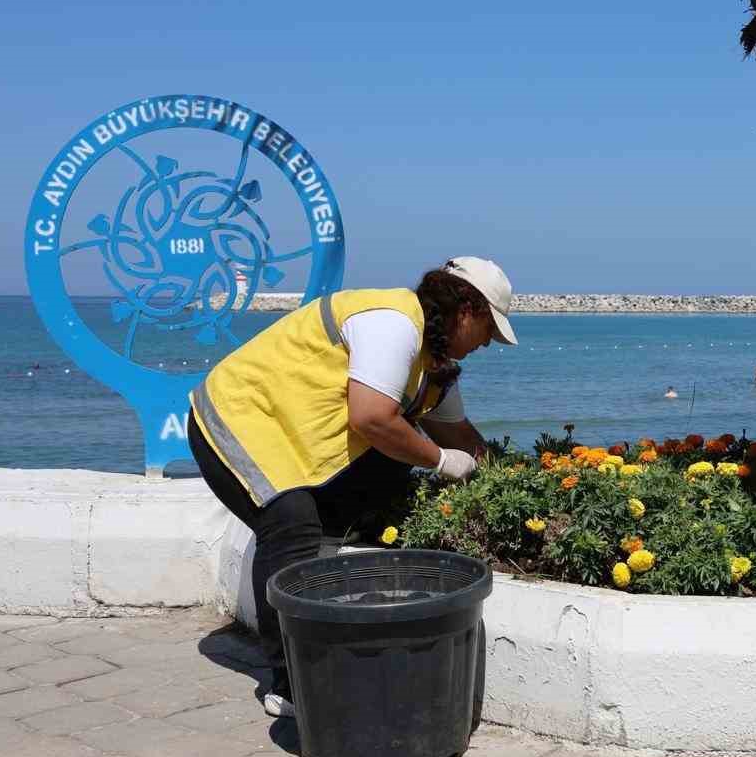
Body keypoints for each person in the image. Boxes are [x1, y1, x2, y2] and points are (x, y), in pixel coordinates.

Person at [188, 257, 517, 718]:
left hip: (288, 436)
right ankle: (291, 682)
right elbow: (372, 418)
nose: (488, 343)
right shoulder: (393, 324)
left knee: (390, 465)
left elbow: (460, 436)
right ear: (468, 309)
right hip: (234, 418)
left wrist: (512, 479)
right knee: (290, 523)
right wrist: (441, 462)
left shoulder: (432, 364)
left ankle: (330, 557)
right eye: (489, 329)